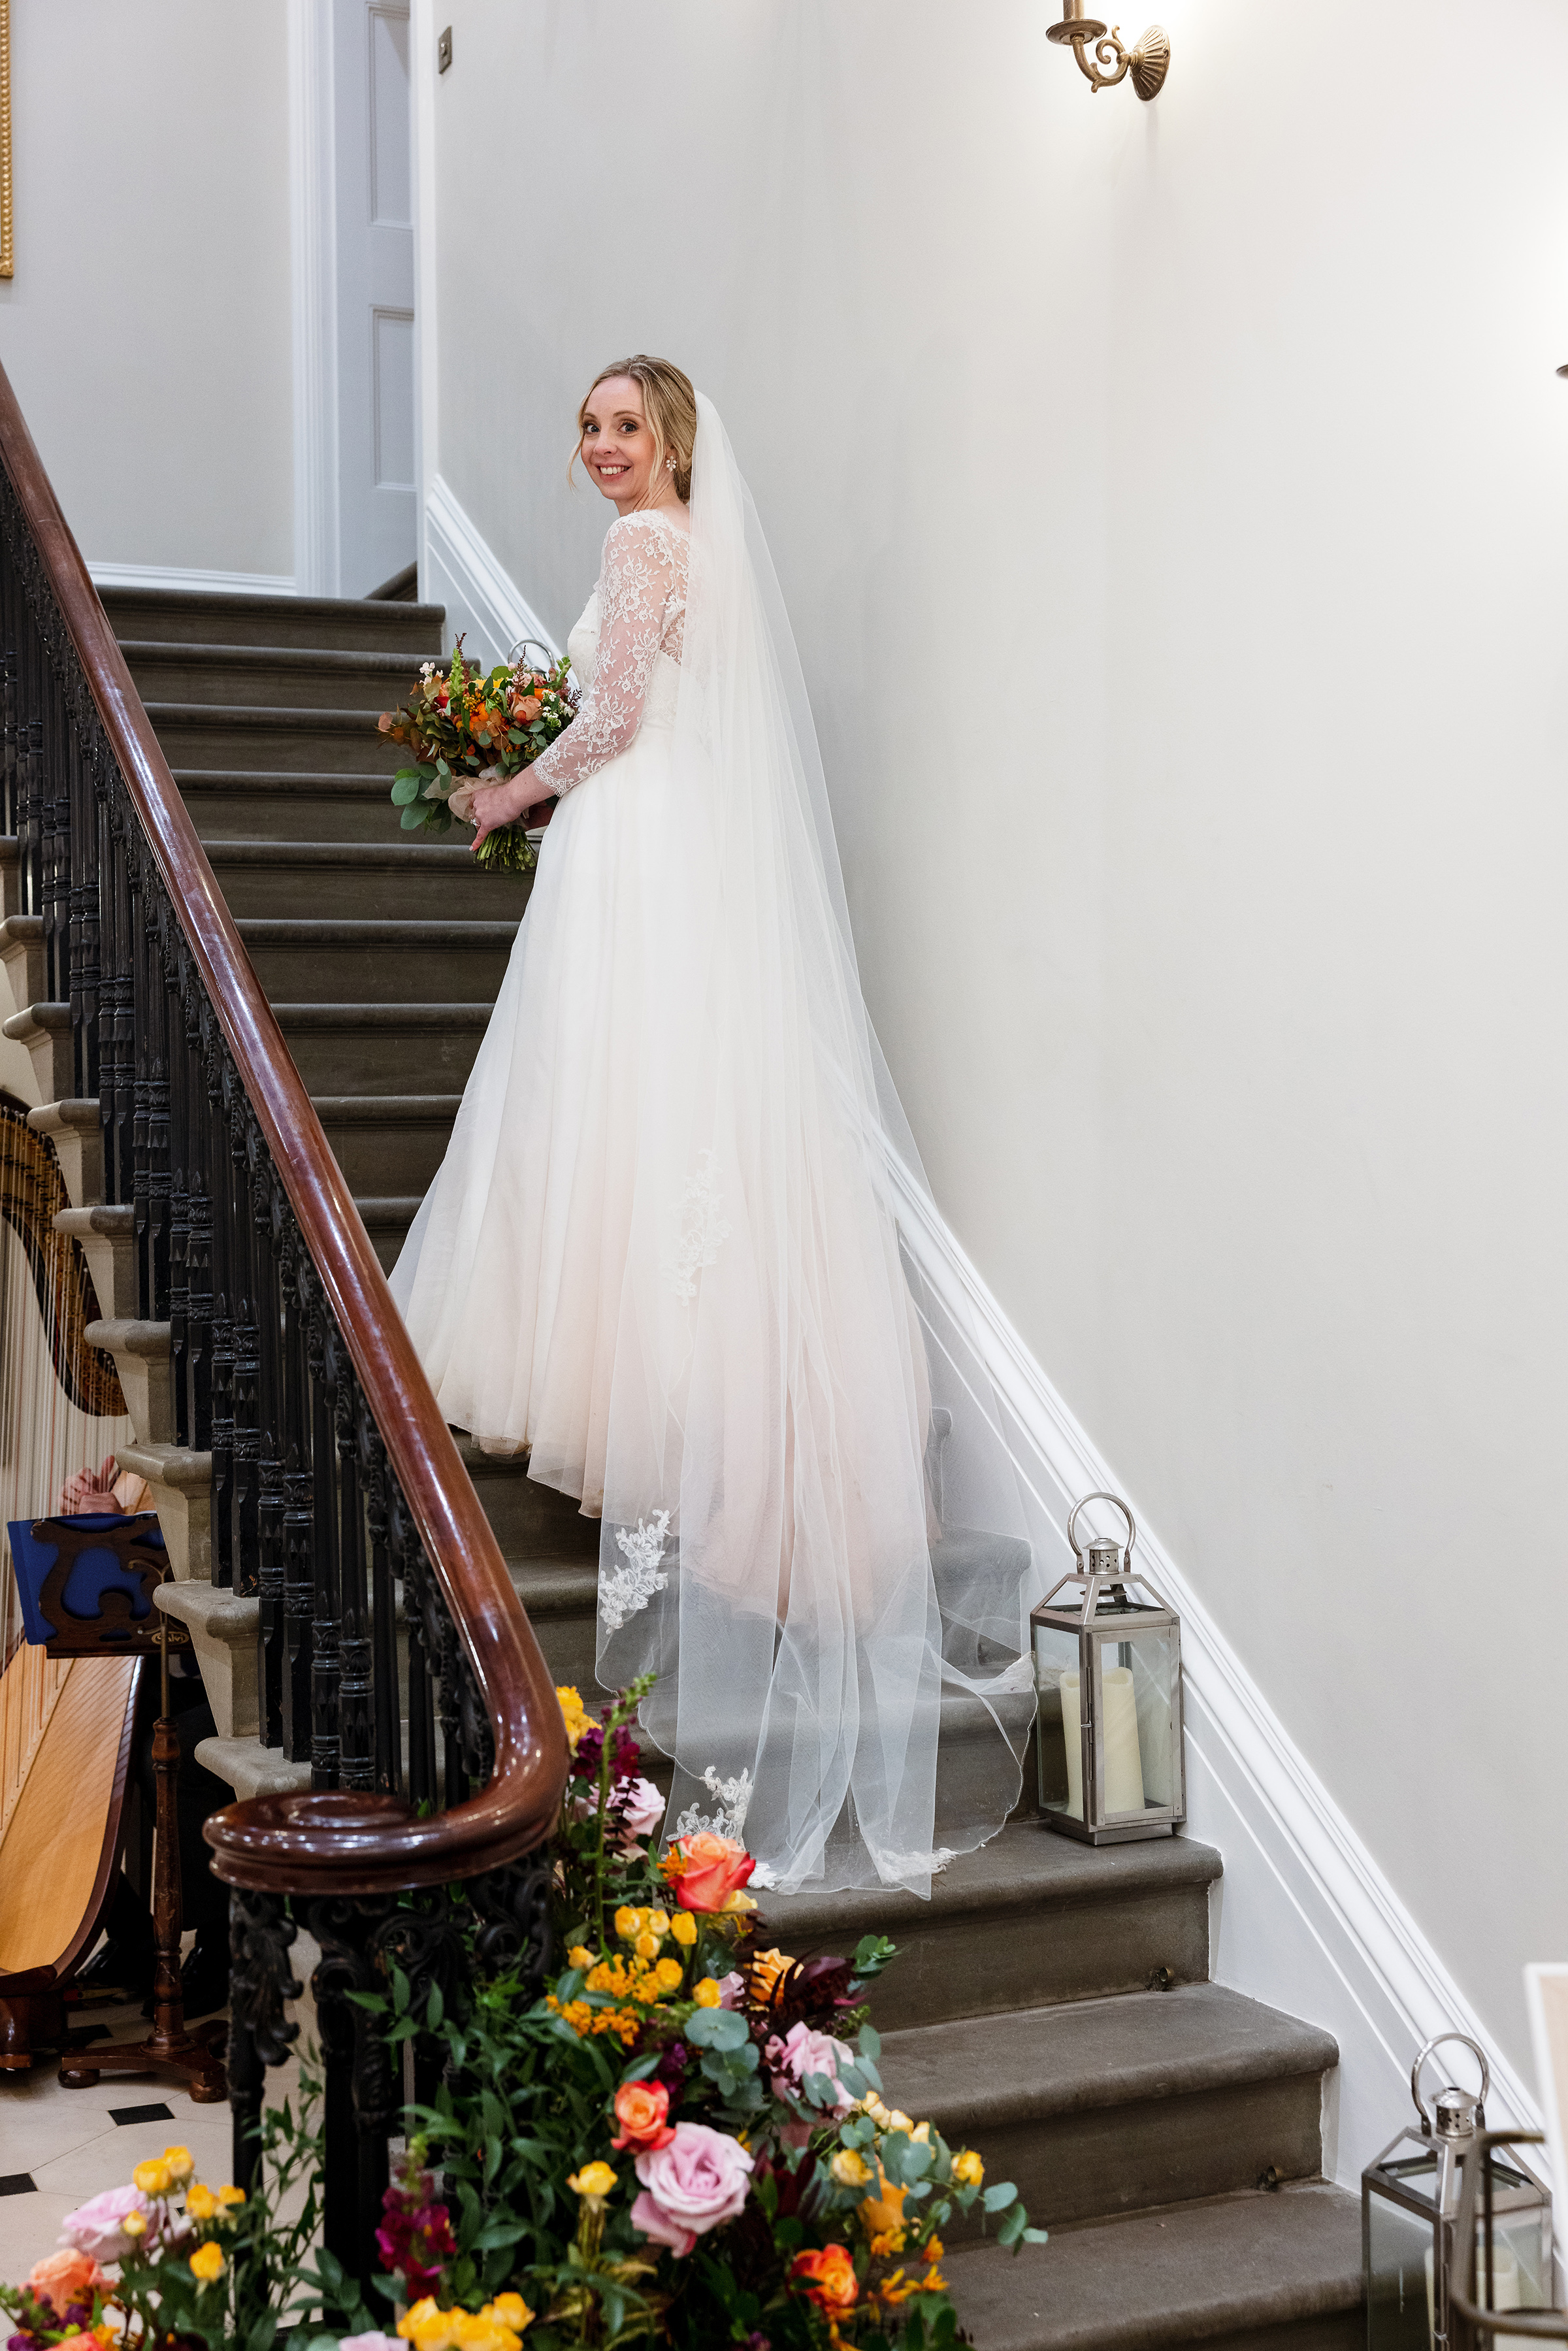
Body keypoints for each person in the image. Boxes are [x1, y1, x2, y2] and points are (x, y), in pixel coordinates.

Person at [391, 359, 1037, 1894]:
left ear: (673, 438)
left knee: (600, 1100)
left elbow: (615, 716)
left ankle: (646, 1398)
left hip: (628, 850)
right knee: (654, 1112)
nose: (600, 450)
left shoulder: (642, 548)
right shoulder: (711, 557)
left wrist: (506, 793)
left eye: (625, 426)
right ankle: (693, 1399)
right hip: (678, 860)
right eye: (589, 429)